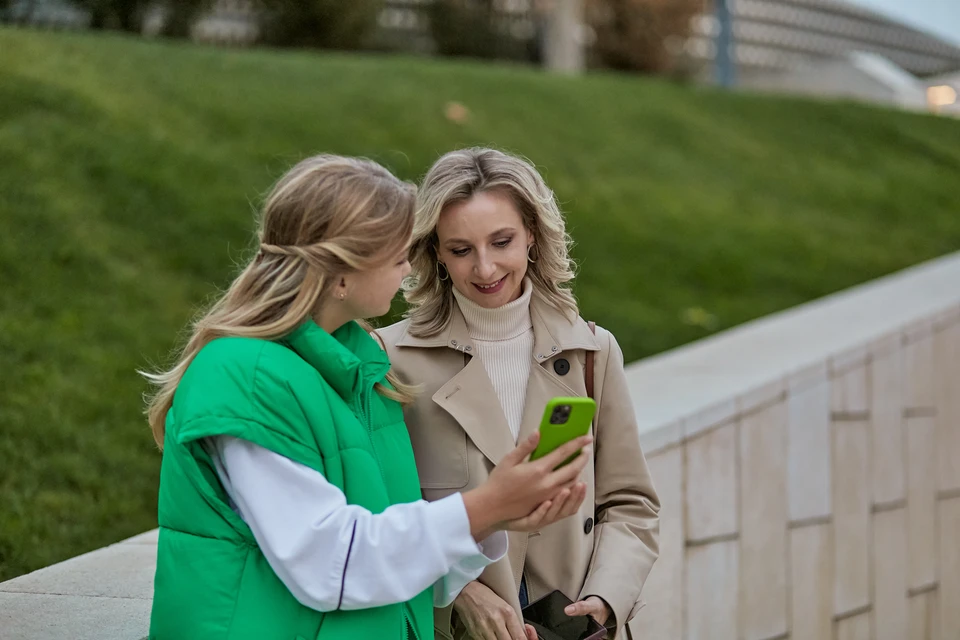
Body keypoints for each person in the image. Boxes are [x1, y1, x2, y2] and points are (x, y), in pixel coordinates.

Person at [142, 154, 594, 640]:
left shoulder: (365, 374)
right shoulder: (245, 378)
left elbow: (389, 546)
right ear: (340, 276)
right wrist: (485, 506)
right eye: (398, 257)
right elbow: (331, 562)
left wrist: (497, 517)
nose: (407, 272)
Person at [377, 148, 661, 640]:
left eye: (501, 241)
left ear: (532, 234)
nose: (485, 269)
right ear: (436, 254)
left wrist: (604, 599)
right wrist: (460, 591)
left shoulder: (593, 351)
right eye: (461, 249)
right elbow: (380, 515)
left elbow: (630, 500)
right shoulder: (390, 361)